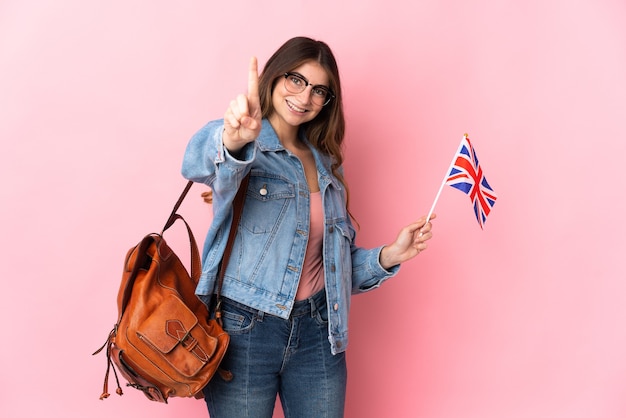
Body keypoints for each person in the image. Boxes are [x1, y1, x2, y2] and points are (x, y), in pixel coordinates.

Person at [181, 36, 435, 418]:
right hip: (245, 329)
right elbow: (198, 162)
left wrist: (389, 256)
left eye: (320, 90)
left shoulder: (328, 164)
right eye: (296, 80)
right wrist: (232, 140)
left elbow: (335, 267)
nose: (305, 97)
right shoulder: (246, 143)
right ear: (273, 77)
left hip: (320, 330)